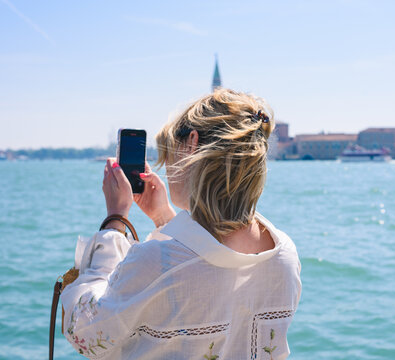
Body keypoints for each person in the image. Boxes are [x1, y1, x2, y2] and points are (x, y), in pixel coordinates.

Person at [60, 89, 302, 359]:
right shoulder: (285, 255)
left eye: (169, 155)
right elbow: (206, 272)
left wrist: (114, 223)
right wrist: (163, 217)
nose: (167, 168)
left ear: (191, 144)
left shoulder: (154, 262)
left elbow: (87, 333)